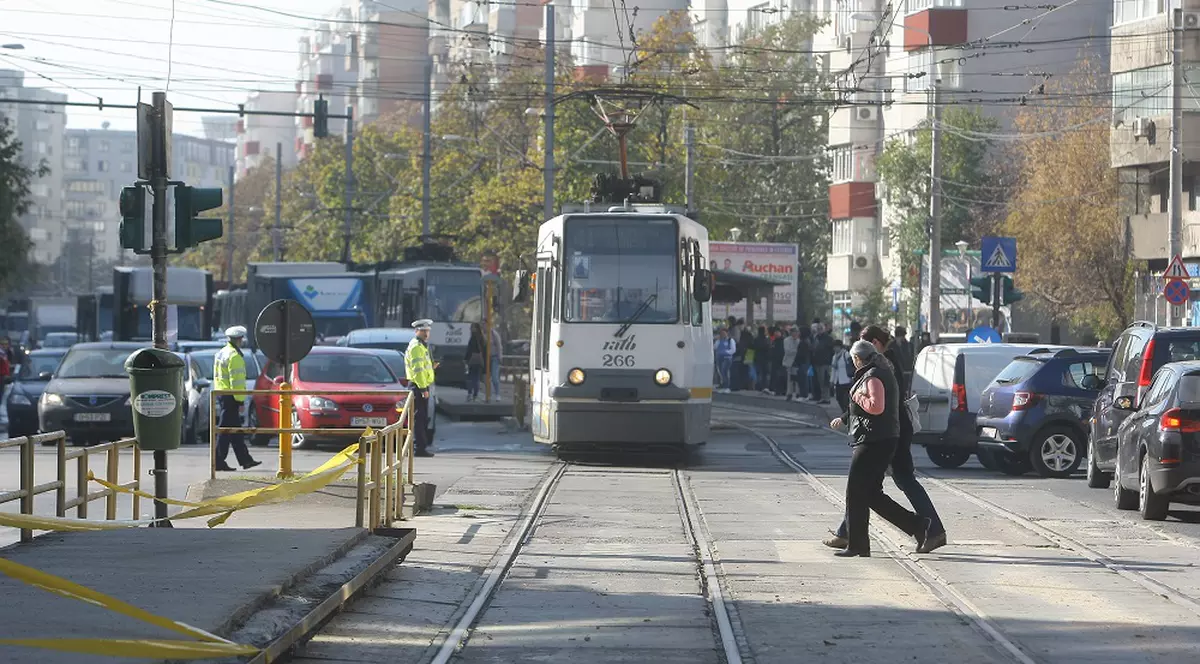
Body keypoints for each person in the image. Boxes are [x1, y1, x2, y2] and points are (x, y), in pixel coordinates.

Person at [826, 325, 947, 554]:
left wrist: (856, 398)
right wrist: (846, 415)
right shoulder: (881, 367)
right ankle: (915, 527)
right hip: (886, 435)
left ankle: (927, 528)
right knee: (868, 491)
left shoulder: (880, 369)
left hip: (882, 437)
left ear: (875, 344)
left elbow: (877, 404)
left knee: (868, 487)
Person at [213, 327, 261, 472]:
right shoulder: (234, 356)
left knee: (235, 431)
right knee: (226, 430)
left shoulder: (221, 353)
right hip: (231, 396)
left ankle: (245, 459)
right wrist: (240, 400)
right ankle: (218, 460)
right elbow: (237, 381)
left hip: (223, 393)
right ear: (239, 339)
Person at [405, 319, 438, 457]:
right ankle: (419, 448)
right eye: (423, 331)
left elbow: (423, 368)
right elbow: (418, 370)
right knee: (420, 418)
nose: (426, 333)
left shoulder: (421, 346)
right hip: (418, 387)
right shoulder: (417, 347)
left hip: (421, 386)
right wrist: (424, 389)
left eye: (427, 331)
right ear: (416, 331)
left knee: (422, 418)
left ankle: (420, 446)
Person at [810, 325, 834, 404]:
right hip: (818, 362)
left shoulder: (827, 339)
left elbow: (831, 350)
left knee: (825, 381)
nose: (819, 331)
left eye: (820, 329)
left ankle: (826, 397)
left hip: (825, 362)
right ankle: (824, 397)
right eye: (818, 329)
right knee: (821, 381)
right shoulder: (816, 338)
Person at [789, 326, 811, 401]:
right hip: (804, 362)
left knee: (802, 379)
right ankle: (803, 394)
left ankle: (804, 395)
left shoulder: (804, 342)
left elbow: (801, 354)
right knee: (801, 379)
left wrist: (796, 361)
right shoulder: (806, 341)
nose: (798, 333)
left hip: (803, 362)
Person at [831, 339, 853, 413]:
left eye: (836, 347)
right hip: (838, 380)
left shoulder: (846, 354)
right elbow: (833, 369)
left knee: (846, 398)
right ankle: (845, 411)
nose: (835, 348)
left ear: (840, 347)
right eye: (834, 347)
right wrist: (832, 380)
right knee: (838, 397)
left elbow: (850, 365)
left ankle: (846, 412)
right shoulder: (834, 357)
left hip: (846, 379)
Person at [464, 323, 485, 402]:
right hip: (479, 361)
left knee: (470, 378)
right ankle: (475, 395)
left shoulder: (473, 338)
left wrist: (466, 359)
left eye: (472, 328)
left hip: (472, 360)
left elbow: (469, 350)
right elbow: (484, 349)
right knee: (476, 378)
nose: (471, 329)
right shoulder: (482, 338)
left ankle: (470, 393)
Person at [714, 328, 736, 392]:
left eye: (724, 333)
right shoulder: (718, 341)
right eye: (721, 333)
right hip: (719, 358)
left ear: (727, 333)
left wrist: (726, 352)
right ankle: (723, 384)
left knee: (724, 371)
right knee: (720, 372)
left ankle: (727, 385)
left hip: (727, 358)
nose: (722, 335)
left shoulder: (730, 340)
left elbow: (733, 350)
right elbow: (714, 347)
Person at [489, 325, 502, 402]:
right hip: (485, 358)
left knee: (494, 377)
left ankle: (497, 394)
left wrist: (500, 356)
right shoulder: (482, 334)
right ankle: (488, 394)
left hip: (494, 357)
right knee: (486, 378)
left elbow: (499, 346)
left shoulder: (494, 334)